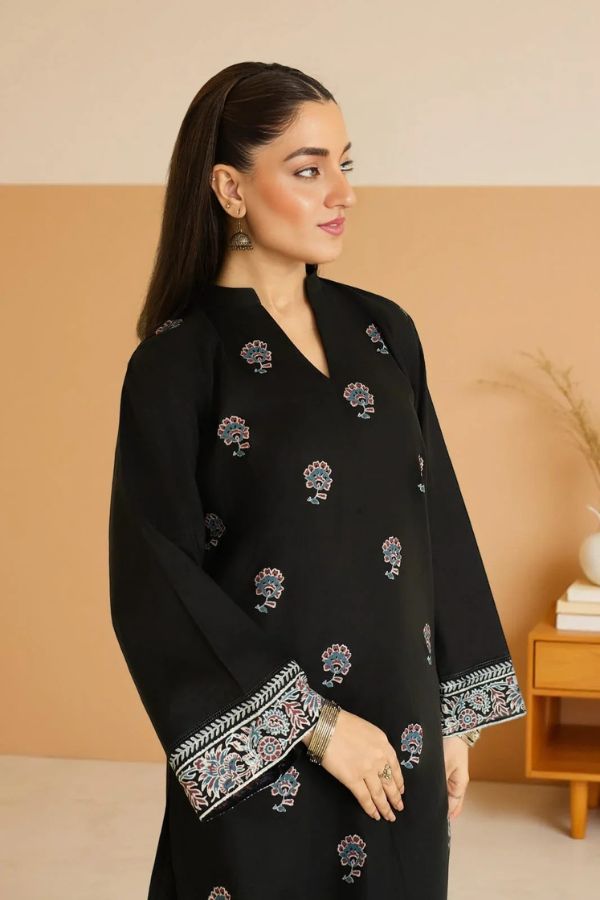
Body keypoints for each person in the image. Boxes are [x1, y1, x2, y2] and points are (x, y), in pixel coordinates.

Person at [108, 61, 527, 900]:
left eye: (346, 163)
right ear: (230, 188)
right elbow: (158, 581)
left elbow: (432, 512)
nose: (342, 191)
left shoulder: (384, 332)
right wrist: (318, 727)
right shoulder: (176, 365)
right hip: (269, 756)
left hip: (402, 734)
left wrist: (455, 715)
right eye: (308, 169)